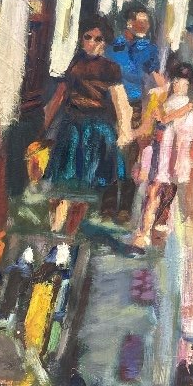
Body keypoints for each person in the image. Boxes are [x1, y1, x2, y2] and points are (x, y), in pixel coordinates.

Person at [43, 16, 133, 235]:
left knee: (83, 189)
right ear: (82, 39)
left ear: (106, 42)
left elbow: (120, 101)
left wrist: (124, 131)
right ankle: (55, 230)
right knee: (60, 185)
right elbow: (60, 95)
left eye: (99, 39)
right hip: (71, 128)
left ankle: (67, 238)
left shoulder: (111, 68)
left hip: (96, 131)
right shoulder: (75, 64)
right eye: (88, 37)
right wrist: (45, 125)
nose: (93, 43)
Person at [129, 62, 193, 255]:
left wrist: (157, 106)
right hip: (161, 155)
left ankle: (155, 232)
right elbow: (151, 128)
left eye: (183, 82)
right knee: (153, 191)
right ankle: (142, 234)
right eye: (176, 81)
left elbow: (167, 120)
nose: (178, 85)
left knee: (167, 194)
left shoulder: (187, 105)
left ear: (189, 85)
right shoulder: (165, 102)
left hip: (175, 157)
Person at [103, 3, 165, 222]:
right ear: (129, 23)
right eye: (141, 21)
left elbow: (157, 77)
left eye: (147, 22)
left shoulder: (148, 49)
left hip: (134, 104)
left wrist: (165, 99)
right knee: (110, 151)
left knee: (130, 155)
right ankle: (108, 203)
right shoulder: (112, 47)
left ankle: (125, 206)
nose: (145, 25)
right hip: (110, 104)